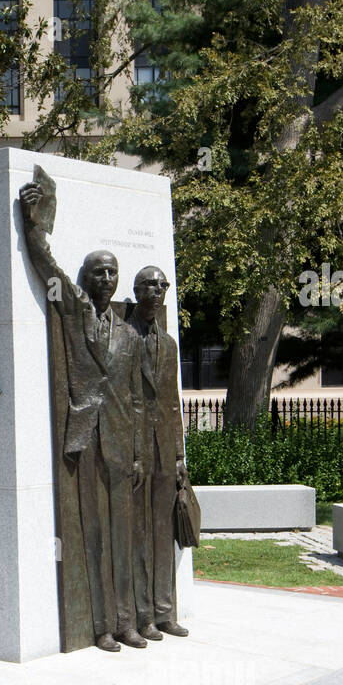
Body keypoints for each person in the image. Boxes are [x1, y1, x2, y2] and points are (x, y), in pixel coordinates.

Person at [18, 181, 149, 651]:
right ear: (85, 278)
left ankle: (126, 621)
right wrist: (34, 226)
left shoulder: (132, 340)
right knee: (92, 535)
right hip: (84, 436)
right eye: (98, 272)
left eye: (112, 273)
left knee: (122, 536)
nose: (107, 279)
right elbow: (46, 267)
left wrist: (137, 454)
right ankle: (98, 625)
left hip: (118, 443)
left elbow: (136, 401)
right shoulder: (73, 310)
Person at [127, 267, 190, 641]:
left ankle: (165, 612)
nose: (159, 290)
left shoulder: (168, 344)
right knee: (139, 533)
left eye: (163, 285)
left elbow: (171, 403)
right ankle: (142, 615)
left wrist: (180, 456)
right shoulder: (124, 338)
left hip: (165, 449)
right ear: (136, 291)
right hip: (136, 448)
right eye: (151, 285)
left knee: (163, 533)